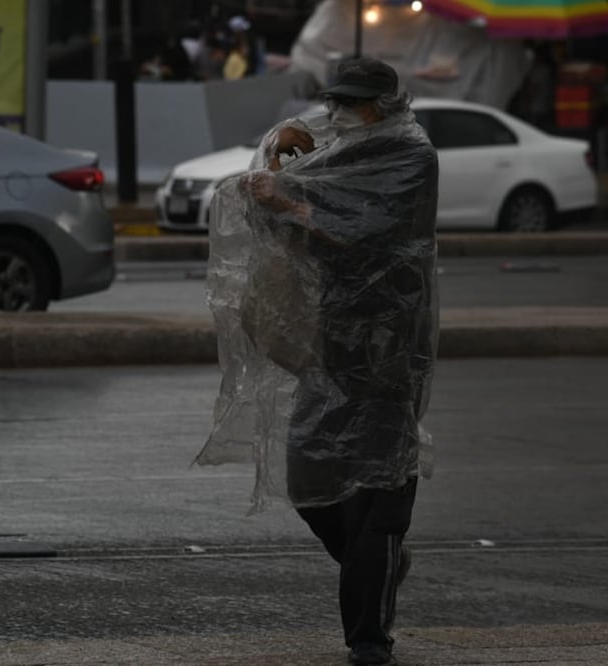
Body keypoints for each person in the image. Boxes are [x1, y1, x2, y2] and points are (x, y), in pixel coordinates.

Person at [198, 57, 439, 666]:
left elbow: (366, 229)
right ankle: (380, 569)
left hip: (388, 347)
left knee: (379, 496)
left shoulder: (410, 156)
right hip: (331, 341)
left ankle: (368, 638)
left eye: (349, 104)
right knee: (312, 482)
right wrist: (273, 154)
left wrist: (292, 200)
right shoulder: (338, 152)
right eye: (334, 102)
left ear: (382, 106)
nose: (337, 114)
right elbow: (268, 208)